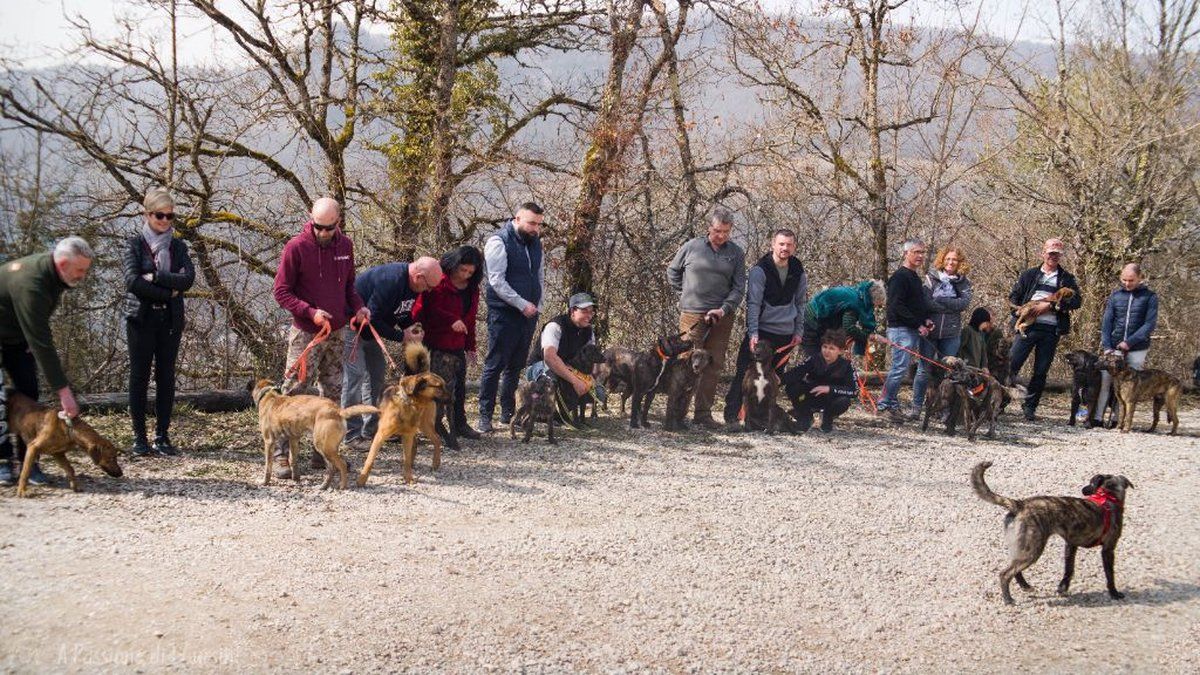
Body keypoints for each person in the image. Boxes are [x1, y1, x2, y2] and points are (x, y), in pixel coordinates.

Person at [273, 197, 370, 477]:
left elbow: (350, 287)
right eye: (319, 227)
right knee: (294, 391)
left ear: (338, 222)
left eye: (329, 228)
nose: (324, 233)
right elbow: (281, 291)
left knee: (332, 393)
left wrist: (359, 306)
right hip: (306, 333)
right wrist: (309, 311)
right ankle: (281, 454)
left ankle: (324, 451)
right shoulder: (296, 247)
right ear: (310, 220)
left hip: (338, 331)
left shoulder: (346, 246)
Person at [0, 237, 95, 486]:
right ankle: (2, 463)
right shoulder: (33, 284)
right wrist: (64, 392)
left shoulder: (55, 274)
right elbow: (42, 341)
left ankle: (28, 463)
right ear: (63, 263)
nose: (83, 276)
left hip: (14, 336)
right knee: (0, 399)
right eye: (80, 270)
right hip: (10, 332)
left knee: (28, 391)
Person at [123, 188, 195, 457]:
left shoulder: (178, 246)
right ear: (147, 214)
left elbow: (188, 279)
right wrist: (168, 290)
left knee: (166, 377)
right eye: (159, 215)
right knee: (139, 377)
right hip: (140, 319)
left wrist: (154, 277)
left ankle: (162, 436)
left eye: (170, 216)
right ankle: (139, 437)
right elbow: (132, 281)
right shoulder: (133, 243)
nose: (165, 221)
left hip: (170, 320)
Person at [343, 257, 442, 444]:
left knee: (376, 375)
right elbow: (373, 317)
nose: (428, 290)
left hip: (372, 332)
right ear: (419, 276)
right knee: (354, 377)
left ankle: (372, 429)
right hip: (352, 327)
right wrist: (401, 336)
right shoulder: (390, 281)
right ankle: (351, 434)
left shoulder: (413, 287)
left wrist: (411, 327)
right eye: (428, 286)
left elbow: (400, 313)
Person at [666, 207, 746, 429]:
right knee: (685, 363)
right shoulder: (691, 247)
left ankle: (703, 414)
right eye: (718, 230)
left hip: (721, 316)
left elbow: (739, 287)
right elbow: (672, 272)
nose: (721, 236)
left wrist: (724, 308)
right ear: (709, 227)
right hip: (692, 314)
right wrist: (685, 295)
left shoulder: (736, 253)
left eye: (726, 232)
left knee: (713, 364)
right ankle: (676, 415)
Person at [723, 229, 807, 425]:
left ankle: (762, 418)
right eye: (781, 244)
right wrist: (753, 332)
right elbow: (753, 303)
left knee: (773, 379)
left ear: (794, 246)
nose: (785, 248)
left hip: (786, 334)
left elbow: (801, 302)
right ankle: (731, 414)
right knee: (744, 374)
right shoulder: (759, 270)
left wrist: (798, 331)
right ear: (773, 245)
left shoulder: (798, 269)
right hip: (762, 333)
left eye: (789, 244)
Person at [479, 202, 545, 433]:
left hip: (529, 314)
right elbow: (496, 281)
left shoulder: (535, 242)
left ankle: (507, 413)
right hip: (504, 312)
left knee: (516, 365)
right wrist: (521, 303)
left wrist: (538, 303)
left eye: (538, 224)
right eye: (531, 223)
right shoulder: (498, 241)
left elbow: (539, 274)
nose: (535, 228)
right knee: (495, 363)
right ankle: (484, 415)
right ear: (517, 219)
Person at [1007, 237, 1082, 420]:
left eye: (1056, 254)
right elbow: (1014, 298)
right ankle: (1000, 402)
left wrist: (1050, 306)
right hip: (1027, 328)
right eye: (1050, 253)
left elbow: (1077, 301)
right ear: (1043, 253)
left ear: (1060, 256)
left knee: (1041, 371)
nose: (1053, 257)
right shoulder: (1029, 275)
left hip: (1051, 330)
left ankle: (1030, 407)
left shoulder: (1066, 278)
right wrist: (1022, 313)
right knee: (1011, 365)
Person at [413, 246, 483, 440]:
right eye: (463, 270)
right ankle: (430, 424)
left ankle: (460, 423)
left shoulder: (472, 289)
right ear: (454, 265)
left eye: (470, 272)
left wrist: (471, 346)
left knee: (459, 386)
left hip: (457, 344)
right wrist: (450, 320)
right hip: (434, 342)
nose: (466, 275)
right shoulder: (438, 281)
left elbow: (470, 319)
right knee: (433, 387)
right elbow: (427, 310)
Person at [878, 239, 937, 419]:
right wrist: (916, 324)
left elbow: (914, 305)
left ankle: (892, 405)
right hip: (900, 329)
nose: (920, 256)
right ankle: (883, 405)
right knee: (899, 368)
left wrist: (925, 320)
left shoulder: (914, 277)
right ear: (906, 254)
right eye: (916, 252)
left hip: (910, 328)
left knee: (901, 367)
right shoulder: (899, 277)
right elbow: (896, 306)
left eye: (922, 253)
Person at [1094, 263, 1157, 426]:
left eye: (1131, 280)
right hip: (1113, 347)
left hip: (1137, 348)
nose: (1127, 283)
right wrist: (1107, 346)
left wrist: (1129, 342)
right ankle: (1097, 418)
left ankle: (1118, 419)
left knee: (1127, 386)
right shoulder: (1115, 296)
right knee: (1105, 381)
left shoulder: (1150, 297)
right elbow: (1107, 322)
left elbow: (1149, 325)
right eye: (1124, 280)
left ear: (1140, 278)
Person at [912, 246, 973, 411]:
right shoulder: (931, 278)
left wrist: (941, 301)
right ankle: (916, 407)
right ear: (942, 260)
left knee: (948, 372)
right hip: (930, 332)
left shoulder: (964, 282)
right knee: (923, 370)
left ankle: (943, 408)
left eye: (954, 259)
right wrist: (951, 305)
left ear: (960, 262)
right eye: (948, 259)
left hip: (951, 333)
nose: (951, 262)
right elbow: (926, 302)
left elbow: (963, 304)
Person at [782, 329, 857, 432]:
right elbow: (796, 373)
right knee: (793, 387)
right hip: (810, 396)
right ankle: (805, 416)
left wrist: (829, 389)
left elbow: (853, 391)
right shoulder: (814, 359)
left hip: (831, 399)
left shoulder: (847, 365)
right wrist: (778, 380)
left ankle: (827, 419)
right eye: (824, 347)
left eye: (831, 348)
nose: (826, 351)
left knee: (844, 401)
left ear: (840, 351)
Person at [526, 293, 598, 394]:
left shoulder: (589, 331)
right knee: (551, 383)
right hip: (541, 366)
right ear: (573, 311)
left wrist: (589, 378)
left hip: (570, 368)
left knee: (598, 391)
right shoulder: (555, 326)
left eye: (591, 312)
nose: (589, 316)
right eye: (584, 311)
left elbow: (590, 360)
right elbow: (550, 358)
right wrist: (575, 381)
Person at [800, 280, 886, 359]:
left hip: (817, 318)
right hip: (812, 321)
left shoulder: (856, 293)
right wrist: (869, 336)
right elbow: (849, 327)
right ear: (872, 300)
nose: (874, 308)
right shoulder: (855, 303)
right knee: (817, 359)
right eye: (876, 305)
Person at [957, 307, 993, 372]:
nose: (986, 325)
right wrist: (960, 362)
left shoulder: (981, 334)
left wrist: (984, 366)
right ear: (980, 320)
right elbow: (959, 347)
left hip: (976, 369)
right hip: (966, 367)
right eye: (985, 322)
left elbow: (983, 351)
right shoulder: (967, 330)